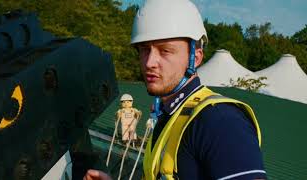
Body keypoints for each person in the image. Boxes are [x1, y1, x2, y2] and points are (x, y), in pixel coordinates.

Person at [84, 0, 266, 179]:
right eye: (145, 49)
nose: (149, 63)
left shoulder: (220, 121)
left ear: (195, 58)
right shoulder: (169, 117)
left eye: (165, 51)